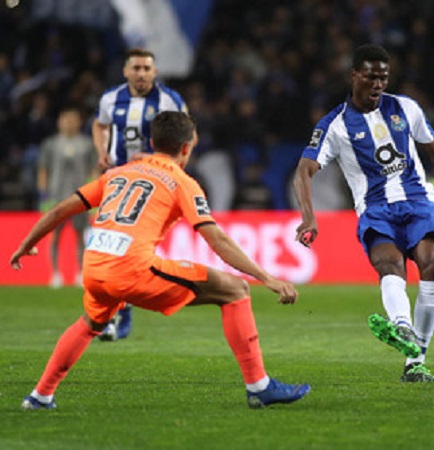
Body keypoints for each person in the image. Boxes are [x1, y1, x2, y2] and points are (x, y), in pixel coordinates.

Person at [11, 111, 310, 410]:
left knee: (92, 322)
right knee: (235, 290)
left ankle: (40, 396)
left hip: (95, 265)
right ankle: (259, 387)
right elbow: (216, 239)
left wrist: (27, 244)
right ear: (186, 148)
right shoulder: (182, 181)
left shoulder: (118, 173)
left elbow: (58, 211)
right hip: (131, 268)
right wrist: (267, 277)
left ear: (153, 142)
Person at [293, 44, 434, 383]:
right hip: (375, 209)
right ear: (354, 76)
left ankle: (415, 361)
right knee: (389, 265)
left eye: (383, 77)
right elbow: (304, 170)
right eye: (371, 77)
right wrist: (309, 216)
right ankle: (402, 326)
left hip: (419, 201)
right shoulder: (334, 125)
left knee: (433, 262)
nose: (378, 84)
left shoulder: (405, 108)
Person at [91, 48, 188, 340]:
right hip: (117, 181)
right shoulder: (110, 98)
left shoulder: (168, 100)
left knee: (129, 250)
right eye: (136, 68)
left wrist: (176, 166)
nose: (142, 73)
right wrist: (101, 152)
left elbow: (189, 134)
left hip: (151, 184)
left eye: (147, 68)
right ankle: (114, 316)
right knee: (112, 249)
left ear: (155, 72)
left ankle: (120, 312)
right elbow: (99, 124)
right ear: (126, 71)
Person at [37, 107, 96, 288]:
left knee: (81, 236)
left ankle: (80, 273)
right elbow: (43, 170)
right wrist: (43, 194)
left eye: (73, 119)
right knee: (55, 236)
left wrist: (94, 194)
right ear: (59, 122)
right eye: (65, 119)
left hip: (80, 198)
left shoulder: (87, 144)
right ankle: (55, 274)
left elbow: (94, 170)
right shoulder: (51, 144)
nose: (69, 123)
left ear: (78, 122)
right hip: (56, 197)